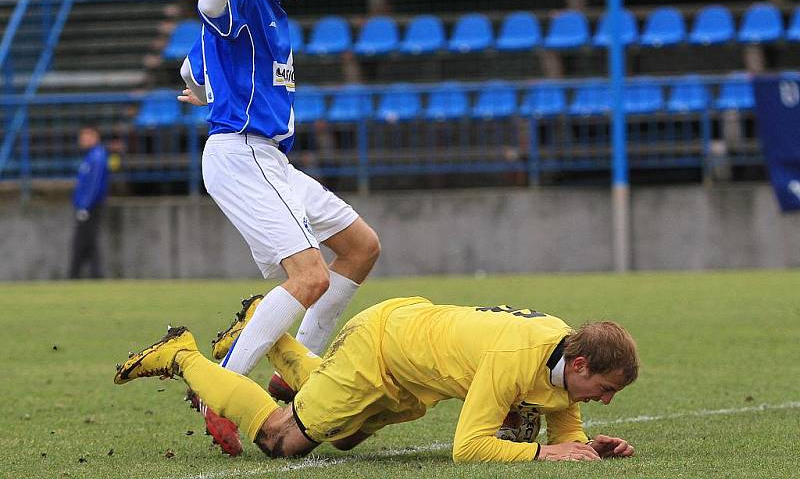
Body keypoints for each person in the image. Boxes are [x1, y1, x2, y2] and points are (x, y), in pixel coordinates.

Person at [175, 0, 381, 449]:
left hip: (268, 157)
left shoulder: (270, 11)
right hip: (243, 154)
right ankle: (224, 392)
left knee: (361, 246)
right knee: (310, 276)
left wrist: (199, 86)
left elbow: (193, 65)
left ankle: (295, 371)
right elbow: (207, 4)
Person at [115, 297, 639, 462]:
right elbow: (470, 446)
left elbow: (563, 424)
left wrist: (587, 446)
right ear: (580, 366)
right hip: (381, 348)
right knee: (283, 441)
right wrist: (543, 454)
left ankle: (267, 328)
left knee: (343, 436)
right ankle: (181, 354)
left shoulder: (564, 354)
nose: (607, 402)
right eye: (606, 389)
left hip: (410, 372)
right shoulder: (517, 357)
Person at [68, 126, 110, 279]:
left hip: (91, 207)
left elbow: (94, 184)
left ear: (95, 136)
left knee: (83, 241)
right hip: (86, 205)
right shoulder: (90, 156)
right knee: (87, 242)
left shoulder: (97, 157)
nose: (83, 140)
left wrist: (85, 206)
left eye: (86, 136)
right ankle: (92, 274)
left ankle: (76, 275)